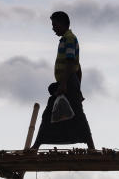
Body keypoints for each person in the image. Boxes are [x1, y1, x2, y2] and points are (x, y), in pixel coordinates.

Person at [32, 11, 95, 150]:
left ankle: (91, 146)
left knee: (76, 114)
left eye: (55, 25)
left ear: (62, 24)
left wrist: (66, 84)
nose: (53, 28)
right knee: (50, 113)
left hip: (67, 83)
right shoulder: (65, 40)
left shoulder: (70, 39)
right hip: (67, 83)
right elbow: (78, 67)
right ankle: (36, 145)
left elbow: (71, 63)